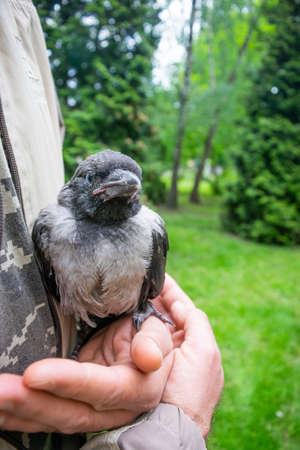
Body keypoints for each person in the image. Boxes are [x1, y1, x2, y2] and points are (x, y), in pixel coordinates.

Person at [0, 0, 224, 449]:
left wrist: (142, 313)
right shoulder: (51, 226)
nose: (119, 188)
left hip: (120, 329)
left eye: (129, 186)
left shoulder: (149, 230)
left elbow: (151, 285)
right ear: (76, 186)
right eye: (94, 181)